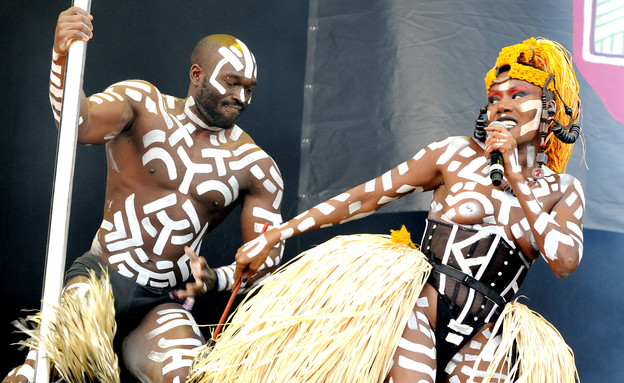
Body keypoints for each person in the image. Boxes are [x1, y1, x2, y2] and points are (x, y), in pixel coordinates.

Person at [224, 37, 584, 383]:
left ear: (550, 108)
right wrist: (275, 234)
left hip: (486, 330)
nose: (502, 105)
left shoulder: (563, 191)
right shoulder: (453, 156)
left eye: (518, 95)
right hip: (421, 311)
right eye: (494, 98)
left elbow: (564, 262)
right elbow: (366, 196)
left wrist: (517, 178)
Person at [3, 6, 285, 383]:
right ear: (196, 74)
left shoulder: (255, 166)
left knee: (189, 378)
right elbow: (76, 123)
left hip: (164, 301)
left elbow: (266, 261)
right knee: (36, 374)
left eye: (249, 88)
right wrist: (61, 55)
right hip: (102, 279)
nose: (241, 97)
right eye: (232, 83)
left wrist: (215, 278)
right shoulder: (141, 103)